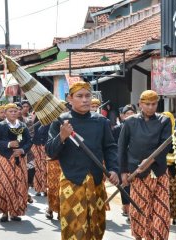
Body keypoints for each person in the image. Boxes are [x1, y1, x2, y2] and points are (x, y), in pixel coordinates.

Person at [45, 81, 119, 240]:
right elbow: (50, 151)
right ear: (70, 99)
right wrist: (62, 136)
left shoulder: (101, 121)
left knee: (97, 227)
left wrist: (113, 169)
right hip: (72, 181)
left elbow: (110, 148)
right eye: (80, 96)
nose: (85, 100)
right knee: (73, 229)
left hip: (96, 181)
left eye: (88, 96)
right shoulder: (60, 122)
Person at [118, 90, 172, 240]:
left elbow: (166, 145)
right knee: (139, 211)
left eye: (153, 104)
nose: (150, 107)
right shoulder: (130, 122)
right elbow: (121, 148)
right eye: (147, 104)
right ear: (140, 104)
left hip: (159, 172)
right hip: (137, 173)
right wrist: (123, 172)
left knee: (161, 212)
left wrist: (151, 160)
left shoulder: (164, 121)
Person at [0, 103, 32, 222]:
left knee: (19, 185)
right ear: (5, 113)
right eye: (10, 111)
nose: (13, 113)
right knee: (4, 184)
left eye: (15, 111)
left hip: (20, 159)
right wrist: (8, 144)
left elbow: (29, 141)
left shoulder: (23, 126)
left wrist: (22, 150)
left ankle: (15, 212)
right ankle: (4, 212)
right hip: (5, 159)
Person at [112, 104, 137, 223]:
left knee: (134, 186)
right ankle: (127, 207)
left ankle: (133, 209)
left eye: (132, 114)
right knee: (125, 185)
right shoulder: (117, 129)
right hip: (122, 161)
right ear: (122, 116)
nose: (130, 116)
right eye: (127, 114)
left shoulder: (139, 127)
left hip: (135, 161)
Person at [161, 111, 176, 226]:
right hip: (159, 169)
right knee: (161, 193)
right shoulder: (157, 134)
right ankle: (163, 216)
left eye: (168, 120)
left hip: (173, 169)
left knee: (174, 192)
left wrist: (169, 158)